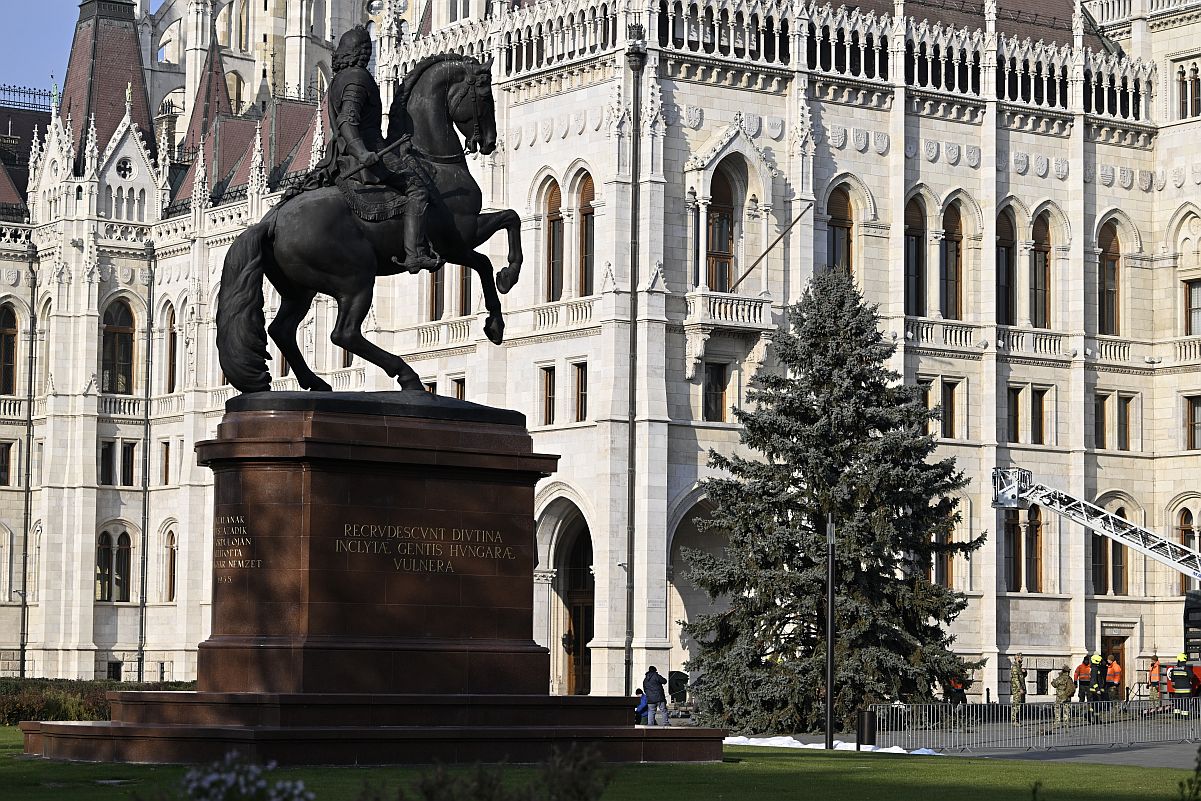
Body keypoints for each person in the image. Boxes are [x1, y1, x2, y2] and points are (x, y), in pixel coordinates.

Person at [309, 26, 443, 274]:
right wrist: (361, 152)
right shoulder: (357, 78)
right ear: (360, 52)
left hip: (343, 155)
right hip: (365, 155)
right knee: (417, 188)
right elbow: (347, 121)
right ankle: (415, 254)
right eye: (367, 49)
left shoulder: (338, 79)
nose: (369, 54)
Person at [1009, 653, 1026, 725]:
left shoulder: (1019, 667)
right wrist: (1020, 689)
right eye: (1021, 658)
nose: (1022, 659)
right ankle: (1014, 721)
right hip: (1017, 689)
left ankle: (1018, 720)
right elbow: (1016, 679)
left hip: (1021, 688)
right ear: (1017, 658)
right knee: (1016, 705)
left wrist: (1024, 672)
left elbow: (1021, 677)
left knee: (1020, 705)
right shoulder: (1015, 667)